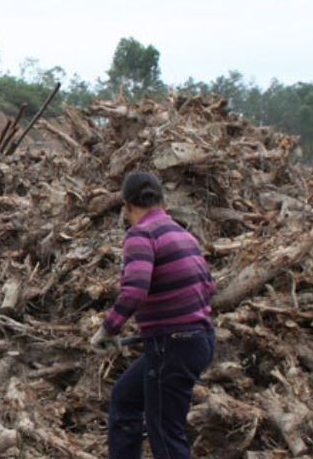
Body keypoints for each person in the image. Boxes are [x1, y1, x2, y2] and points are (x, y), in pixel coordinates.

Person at [90, 171, 216, 459]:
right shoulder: (181, 233)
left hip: (174, 343)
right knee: (126, 399)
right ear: (162, 200)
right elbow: (209, 287)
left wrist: (108, 330)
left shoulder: (141, 234)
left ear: (126, 205)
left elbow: (135, 291)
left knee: (165, 434)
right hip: (199, 339)